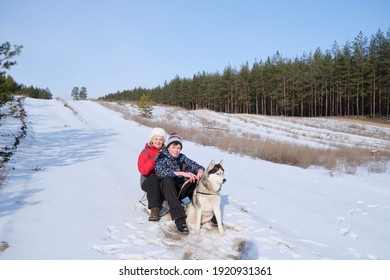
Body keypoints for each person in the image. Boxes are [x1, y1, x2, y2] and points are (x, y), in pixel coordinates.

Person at [155, 132, 205, 235]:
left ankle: (201, 210)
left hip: (180, 190)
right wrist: (182, 173)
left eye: (178, 147)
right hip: (166, 191)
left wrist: (200, 171)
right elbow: (160, 172)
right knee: (167, 179)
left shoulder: (182, 157)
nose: (176, 150)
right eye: (173, 147)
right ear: (168, 147)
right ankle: (179, 218)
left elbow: (196, 165)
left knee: (195, 178)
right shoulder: (162, 157)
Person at [137, 127, 166, 222]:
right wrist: (153, 159)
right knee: (154, 178)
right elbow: (143, 170)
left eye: (160, 139)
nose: (158, 141)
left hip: (163, 181)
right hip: (148, 181)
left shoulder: (167, 152)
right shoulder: (146, 152)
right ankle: (155, 210)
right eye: (156, 139)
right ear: (152, 140)